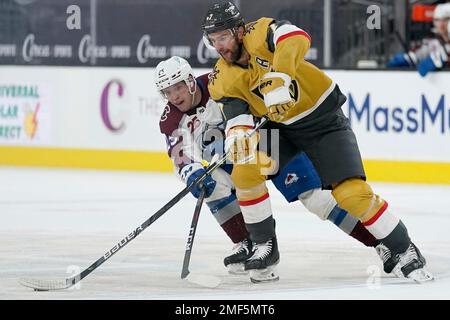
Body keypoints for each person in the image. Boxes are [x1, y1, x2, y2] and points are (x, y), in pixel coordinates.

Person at [202, 2, 433, 282]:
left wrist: (281, 77)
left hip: (321, 118)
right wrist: (237, 133)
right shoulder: (222, 75)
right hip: (278, 128)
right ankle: (264, 245)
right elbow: (235, 110)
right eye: (213, 41)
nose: (220, 47)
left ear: (239, 31)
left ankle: (403, 248)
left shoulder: (260, 32)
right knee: (245, 166)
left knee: (351, 194)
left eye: (223, 37)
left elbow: (296, 37)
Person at [155, 56, 388, 282]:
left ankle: (379, 241)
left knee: (317, 200)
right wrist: (191, 173)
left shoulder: (218, 83)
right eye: (167, 92)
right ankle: (249, 244)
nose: (174, 96)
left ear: (189, 80)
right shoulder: (170, 118)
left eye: (177, 87)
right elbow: (180, 155)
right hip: (235, 164)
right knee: (211, 183)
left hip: (270, 143)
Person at [387, 2, 450, 77]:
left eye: (445, 20)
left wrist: (444, 58)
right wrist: (408, 58)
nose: (440, 24)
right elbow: (419, 56)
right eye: (437, 20)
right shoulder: (433, 42)